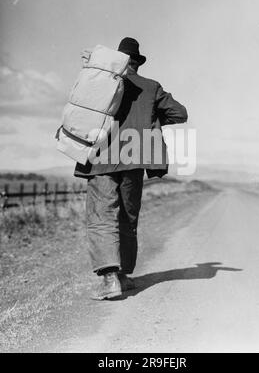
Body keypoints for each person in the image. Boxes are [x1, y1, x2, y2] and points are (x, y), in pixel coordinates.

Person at [74, 37, 188, 299]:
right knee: (128, 216)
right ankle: (123, 277)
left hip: (100, 157)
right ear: (137, 62)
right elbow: (180, 113)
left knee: (102, 216)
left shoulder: (101, 81)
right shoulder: (151, 88)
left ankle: (110, 280)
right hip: (134, 157)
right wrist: (150, 118)